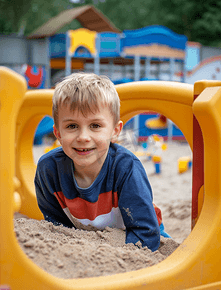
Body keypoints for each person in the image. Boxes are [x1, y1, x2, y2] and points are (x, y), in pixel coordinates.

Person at [34, 73, 170, 252]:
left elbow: (146, 232)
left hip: (142, 231)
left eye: (95, 126)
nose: (83, 137)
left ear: (115, 131)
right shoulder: (48, 170)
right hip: (89, 236)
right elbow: (56, 225)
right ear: (58, 133)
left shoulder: (126, 167)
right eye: (72, 126)